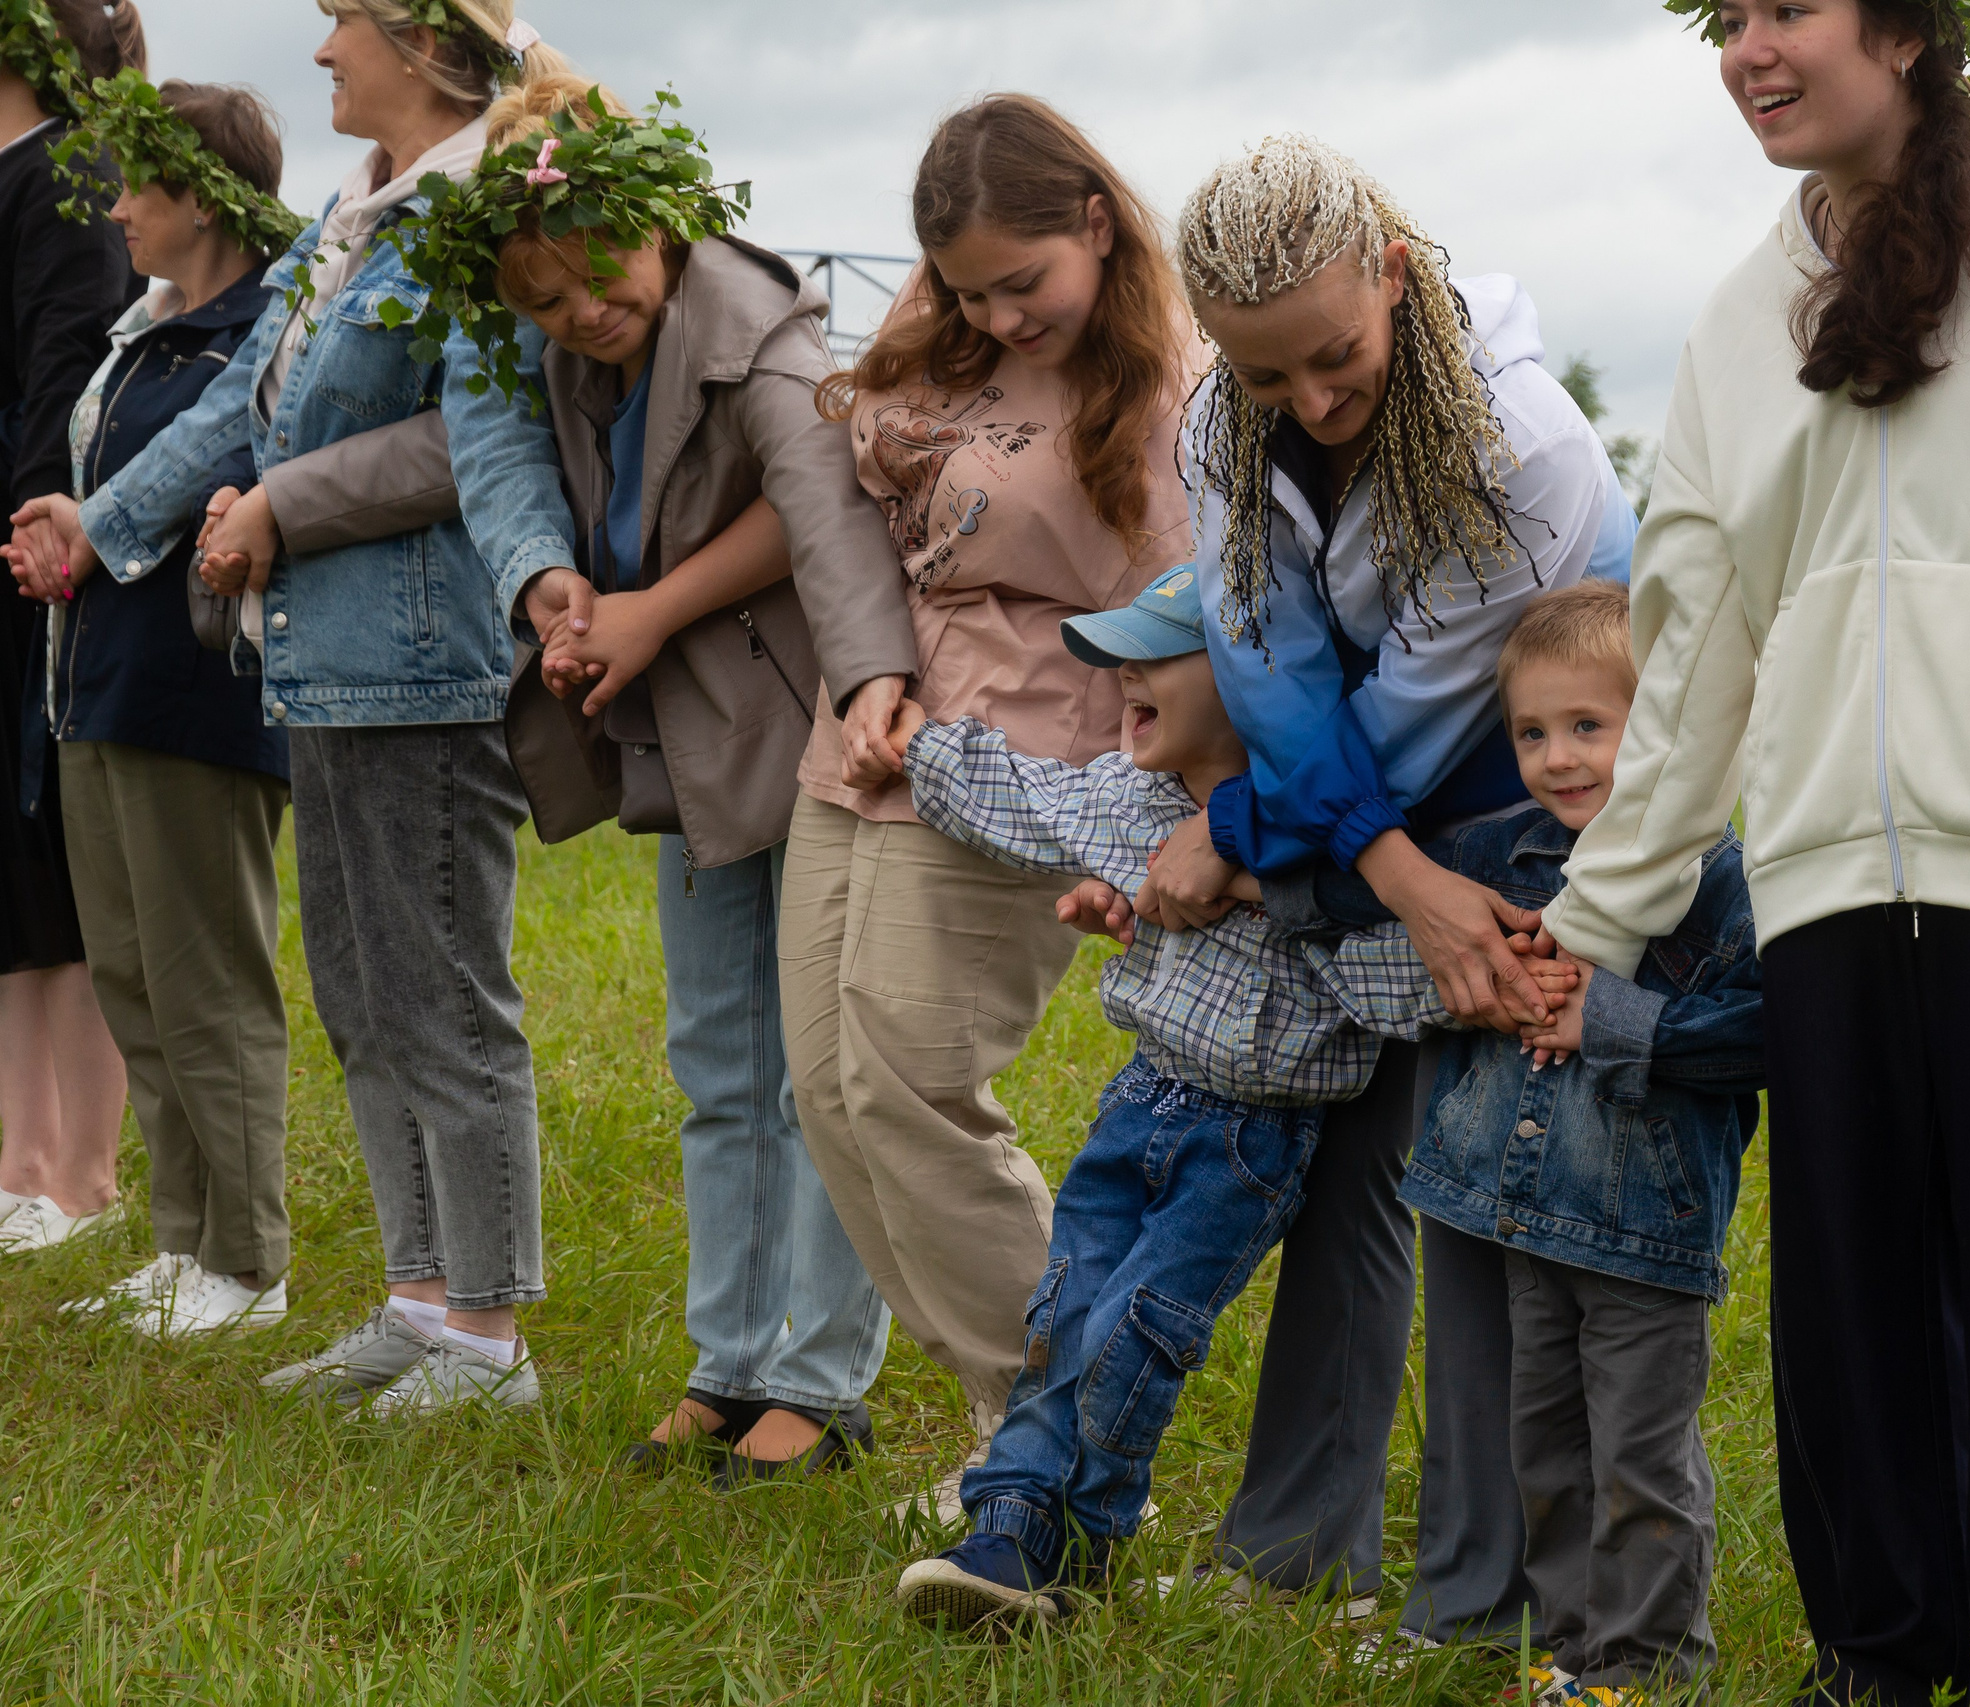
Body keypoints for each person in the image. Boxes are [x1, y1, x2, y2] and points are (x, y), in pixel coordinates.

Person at [1534, 2, 1970, 1701]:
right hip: (1827, 880)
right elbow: (1694, 639)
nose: (1749, 48)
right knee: (1849, 1326)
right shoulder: (1743, 317)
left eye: (1788, 9)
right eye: (1724, 20)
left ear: (1905, 26)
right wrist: (1606, 908)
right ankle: (1878, 1663)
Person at [294, 72, 911, 1478]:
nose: (582, 310)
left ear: (665, 218)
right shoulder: (553, 350)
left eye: (598, 274)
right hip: (694, 736)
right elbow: (504, 464)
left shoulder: (760, 326)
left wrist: (877, 687)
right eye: (546, 294)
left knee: (820, 1064)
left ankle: (821, 1376)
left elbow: (828, 519)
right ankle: (729, 1354)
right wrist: (560, 596)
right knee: (717, 1055)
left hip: (811, 725)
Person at [17, 0, 583, 1413]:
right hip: (324, 656)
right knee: (361, 992)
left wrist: (284, 500)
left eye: (343, 26)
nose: (322, 54)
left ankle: (489, 1332)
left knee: (444, 991)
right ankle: (413, 1295)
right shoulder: (351, 211)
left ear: (423, 47)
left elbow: (475, 434)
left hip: (424, 657)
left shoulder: (483, 211)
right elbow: (242, 408)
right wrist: (103, 521)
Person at [1141, 131, 1634, 1643]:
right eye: (1265, 372)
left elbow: (1420, 712)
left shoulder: (1528, 450)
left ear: (1394, 274)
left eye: (1334, 356)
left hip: (1519, 826)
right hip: (1374, 832)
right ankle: (1299, 1551)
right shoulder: (1221, 414)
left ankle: (1486, 1604)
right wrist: (1376, 865)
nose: (1310, 402)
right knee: (1347, 1169)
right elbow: (1266, 666)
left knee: (1485, 1200)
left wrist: (1238, 825)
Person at [775, 92, 1202, 1517]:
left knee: (911, 1081)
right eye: (968, 288)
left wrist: (1169, 825)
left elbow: (1199, 624)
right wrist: (870, 667)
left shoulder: (1174, 389)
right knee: (832, 1088)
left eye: (1024, 284)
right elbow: (839, 491)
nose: (999, 315)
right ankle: (1000, 1412)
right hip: (873, 723)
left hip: (1028, 749)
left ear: (1095, 220)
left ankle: (1064, 1443)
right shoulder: (941, 323)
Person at [877, 563, 1432, 1628]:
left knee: (1134, 1327)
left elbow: (1399, 980)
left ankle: (1081, 1529)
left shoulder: (1324, 848)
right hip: (1138, 1103)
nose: (1123, 674)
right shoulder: (1134, 800)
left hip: (1247, 1140)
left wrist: (1258, 889)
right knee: (1062, 1311)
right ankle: (1012, 1526)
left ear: (1254, 680)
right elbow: (1018, 796)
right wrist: (907, 738)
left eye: (1154, 657)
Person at [1268, 579, 1764, 1704]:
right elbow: (1343, 900)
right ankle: (1573, 1658)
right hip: (1511, 1212)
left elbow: (1766, 1032)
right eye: (1532, 732)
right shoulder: (1495, 859)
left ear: (1670, 729)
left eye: (1590, 724)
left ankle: (1647, 1668)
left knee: (1636, 1458)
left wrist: (1617, 1016)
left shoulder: (1721, 879)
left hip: (1642, 1231)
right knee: (1541, 1452)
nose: (1558, 756)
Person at [5, 76, 301, 1332]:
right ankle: (184, 1242)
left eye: (137, 185)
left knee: (205, 979)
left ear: (202, 195)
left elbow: (217, 482)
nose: (115, 208)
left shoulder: (258, 340)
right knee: (131, 971)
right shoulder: (145, 326)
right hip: (96, 682)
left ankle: (245, 1262)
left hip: (195, 694)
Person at [0, 0, 145, 1259]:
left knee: (57, 861)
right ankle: (20, 1159)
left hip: (34, 560)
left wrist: (32, 535)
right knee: (7, 872)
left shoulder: (69, 172)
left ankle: (80, 1172)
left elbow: (64, 383)